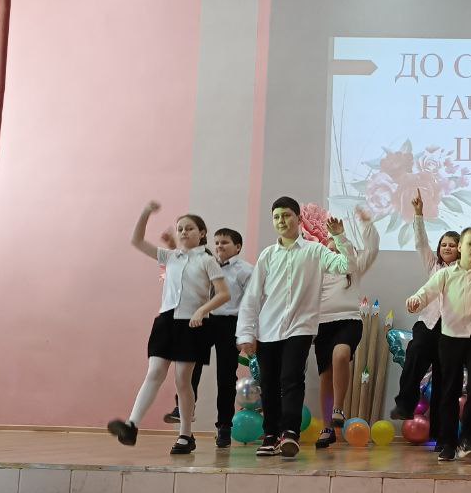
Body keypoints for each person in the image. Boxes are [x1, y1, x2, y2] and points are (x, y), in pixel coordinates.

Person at [237, 197, 355, 459]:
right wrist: (246, 332)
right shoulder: (268, 255)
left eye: (287, 215)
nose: (282, 221)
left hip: (300, 328)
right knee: (269, 383)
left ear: (299, 219)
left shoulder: (315, 251)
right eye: (277, 216)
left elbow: (346, 266)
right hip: (268, 329)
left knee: (291, 378)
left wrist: (340, 238)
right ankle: (270, 435)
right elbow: (252, 296)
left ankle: (290, 433)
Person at [107, 202, 229, 455]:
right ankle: (131, 425)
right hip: (166, 321)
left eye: (190, 228)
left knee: (183, 380)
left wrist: (202, 311)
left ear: (202, 233)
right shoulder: (170, 256)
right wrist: (146, 212)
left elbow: (223, 294)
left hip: (192, 324)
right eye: (180, 228)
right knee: (154, 372)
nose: (184, 232)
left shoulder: (207, 260)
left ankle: (185, 435)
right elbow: (137, 241)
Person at [405, 218, 471, 462]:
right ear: (460, 247)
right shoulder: (445, 274)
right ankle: (447, 442)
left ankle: (468, 439)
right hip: (450, 339)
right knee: (449, 390)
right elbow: (426, 293)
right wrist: (415, 301)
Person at [163, 227, 253, 448]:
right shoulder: (206, 264)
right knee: (189, 366)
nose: (219, 246)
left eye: (225, 242)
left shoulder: (246, 270)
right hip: (204, 319)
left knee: (226, 376)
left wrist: (246, 333)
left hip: (229, 323)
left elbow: (250, 304)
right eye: (217, 242)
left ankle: (224, 427)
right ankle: (184, 410)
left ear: (238, 247)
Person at [390, 190, 459, 443]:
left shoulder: (464, 271)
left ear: (460, 249)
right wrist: (418, 214)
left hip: (451, 330)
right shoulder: (432, 264)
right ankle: (405, 404)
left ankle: (441, 434)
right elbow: (420, 242)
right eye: (444, 244)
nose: (447, 248)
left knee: (443, 380)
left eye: (452, 245)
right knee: (415, 356)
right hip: (428, 323)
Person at [313, 207, 379, 449]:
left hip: (348, 320)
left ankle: (338, 408)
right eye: (329, 250)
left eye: (337, 248)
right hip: (322, 324)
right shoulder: (318, 272)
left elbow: (372, 249)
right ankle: (327, 428)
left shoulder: (353, 268)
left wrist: (367, 224)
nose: (333, 253)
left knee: (341, 355)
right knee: (325, 375)